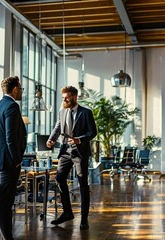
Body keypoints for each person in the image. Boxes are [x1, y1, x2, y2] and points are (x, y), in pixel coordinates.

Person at [46, 85, 97, 230]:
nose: (64, 100)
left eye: (66, 97)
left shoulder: (86, 113)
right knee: (59, 178)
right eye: (63, 98)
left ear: (74, 97)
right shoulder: (62, 111)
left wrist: (78, 139)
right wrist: (51, 139)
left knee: (82, 184)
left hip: (80, 152)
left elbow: (92, 132)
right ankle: (67, 213)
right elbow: (58, 127)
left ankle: (84, 219)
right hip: (65, 152)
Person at [0, 76, 26, 240]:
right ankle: (7, 237)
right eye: (21, 89)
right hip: (8, 162)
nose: (21, 92)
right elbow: (10, 137)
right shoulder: (12, 106)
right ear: (15, 88)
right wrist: (17, 159)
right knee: (5, 204)